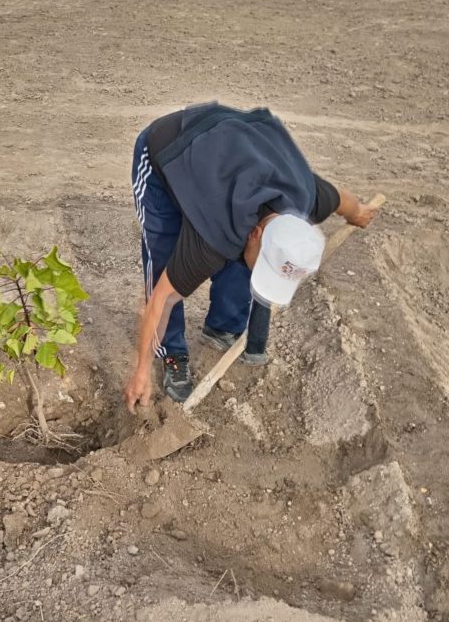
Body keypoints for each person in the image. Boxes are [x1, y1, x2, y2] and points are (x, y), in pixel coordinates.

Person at [124, 102, 378, 410]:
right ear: (256, 233)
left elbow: (340, 199)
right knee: (164, 256)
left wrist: (358, 212)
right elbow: (159, 302)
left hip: (232, 150)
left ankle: (223, 326)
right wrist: (141, 371)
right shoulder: (213, 239)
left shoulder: (306, 197)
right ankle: (172, 352)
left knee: (246, 258)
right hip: (169, 148)